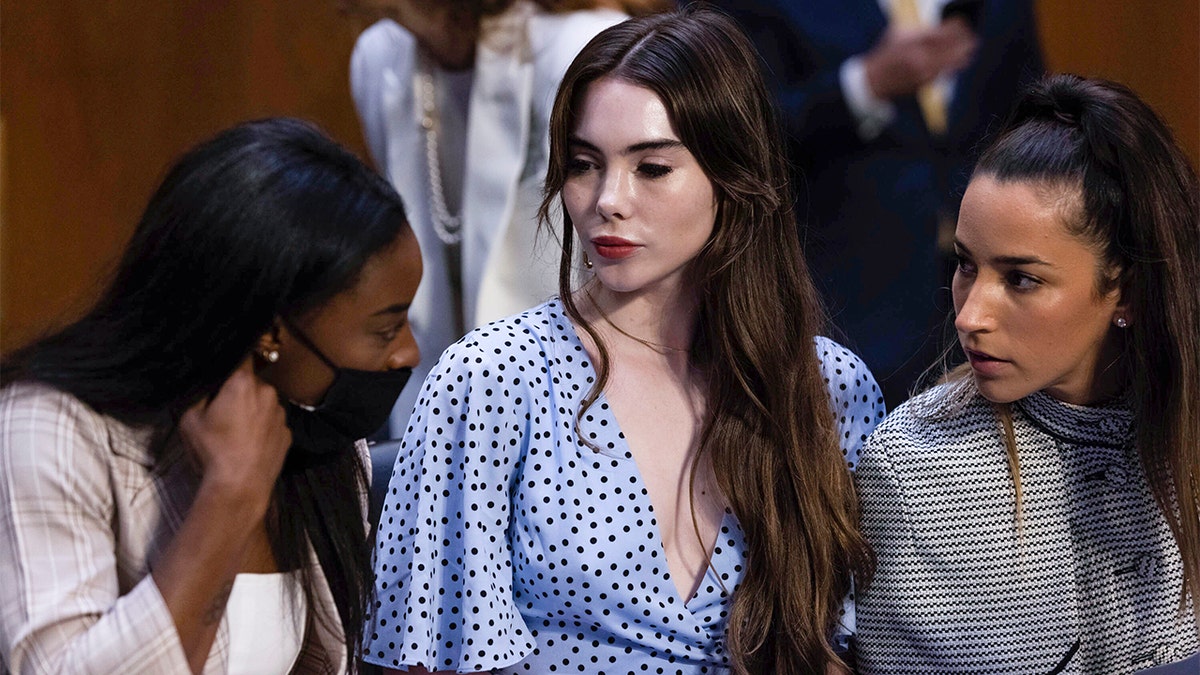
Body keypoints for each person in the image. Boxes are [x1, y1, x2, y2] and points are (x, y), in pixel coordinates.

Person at [364, 8, 886, 674]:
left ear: (734, 176)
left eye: (652, 168)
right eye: (585, 164)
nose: (608, 199)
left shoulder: (828, 387)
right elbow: (427, 659)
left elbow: (842, 647)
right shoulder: (490, 380)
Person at [0, 118, 422, 673]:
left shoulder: (320, 441)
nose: (409, 354)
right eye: (386, 328)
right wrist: (228, 501)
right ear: (269, 330)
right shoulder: (49, 428)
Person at [855, 74, 1200, 673]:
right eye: (965, 265)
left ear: (1129, 291)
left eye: (1022, 279)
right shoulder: (916, 466)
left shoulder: (1187, 437)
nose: (969, 315)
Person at [343, 0, 672, 438]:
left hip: (580, 412)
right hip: (441, 408)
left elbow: (601, 274)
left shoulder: (582, 47)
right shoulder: (378, 57)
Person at [699, 0, 1045, 407]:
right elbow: (728, 130)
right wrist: (866, 83)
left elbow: (1031, 110)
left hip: (996, 298)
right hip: (844, 299)